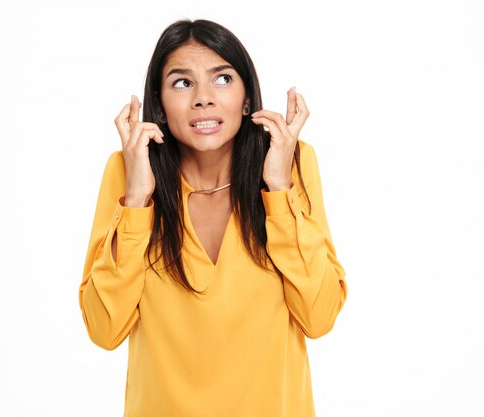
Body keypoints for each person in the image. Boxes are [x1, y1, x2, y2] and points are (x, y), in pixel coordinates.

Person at [78, 18, 348, 417]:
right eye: (182, 83)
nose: (203, 98)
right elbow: (104, 329)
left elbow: (319, 316)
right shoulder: (127, 171)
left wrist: (279, 188)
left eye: (222, 79)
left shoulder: (292, 164)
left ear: (245, 97)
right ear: (160, 103)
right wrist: (137, 199)